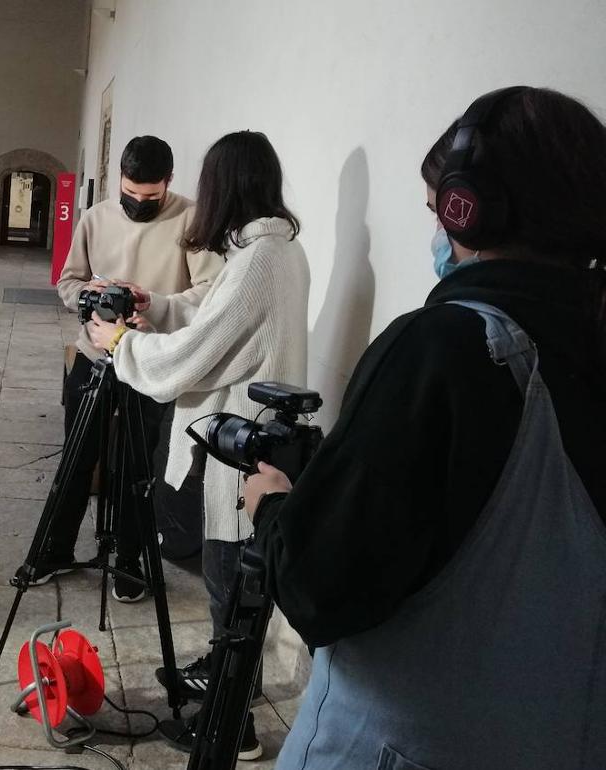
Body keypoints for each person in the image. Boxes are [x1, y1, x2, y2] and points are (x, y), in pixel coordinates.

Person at [243, 87, 606, 769]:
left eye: (436, 209)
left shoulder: (445, 348)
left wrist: (275, 510)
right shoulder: (586, 343)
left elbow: (323, 589)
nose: (436, 231)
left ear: (467, 206)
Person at [88, 130, 309, 760]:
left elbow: (198, 351)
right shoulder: (273, 250)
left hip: (242, 444)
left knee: (226, 582)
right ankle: (225, 678)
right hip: (252, 435)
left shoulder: (262, 260)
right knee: (230, 583)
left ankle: (232, 727)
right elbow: (210, 308)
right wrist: (151, 304)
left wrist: (119, 345)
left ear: (224, 188)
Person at [44, 135, 223, 603]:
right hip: (94, 352)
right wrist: (89, 297)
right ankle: (54, 550)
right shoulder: (96, 218)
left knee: (135, 466)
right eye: (130, 193)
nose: (139, 204)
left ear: (168, 182)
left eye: (150, 196)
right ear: (117, 180)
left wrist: (156, 305)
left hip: (150, 359)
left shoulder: (192, 220)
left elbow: (210, 291)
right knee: (78, 453)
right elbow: (68, 280)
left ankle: (128, 561)